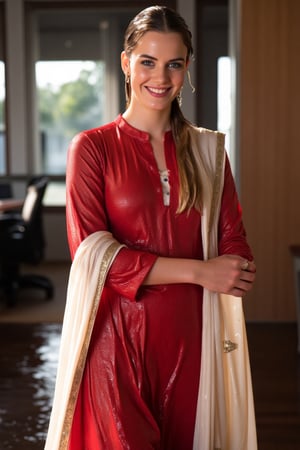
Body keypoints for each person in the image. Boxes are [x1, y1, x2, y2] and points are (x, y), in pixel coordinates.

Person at [44, 5, 257, 450]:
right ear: (126, 62)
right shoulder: (92, 149)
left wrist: (235, 265)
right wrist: (202, 271)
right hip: (115, 343)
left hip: (192, 340)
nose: (160, 77)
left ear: (186, 68)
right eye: (147, 61)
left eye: (173, 64)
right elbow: (95, 254)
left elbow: (232, 236)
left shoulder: (209, 153)